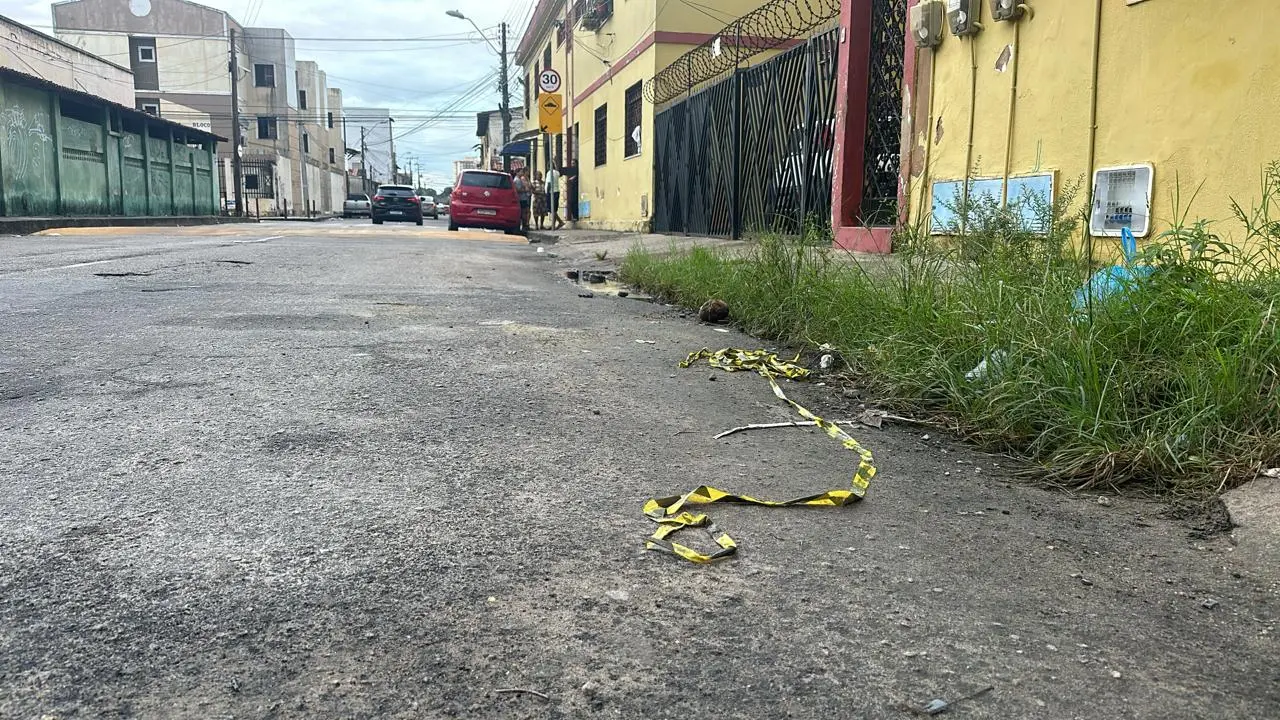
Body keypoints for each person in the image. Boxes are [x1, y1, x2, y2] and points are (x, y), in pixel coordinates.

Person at [513, 168, 532, 233]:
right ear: (517, 172)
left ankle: (524, 225)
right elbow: (518, 190)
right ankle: (523, 226)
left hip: (523, 198)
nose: (522, 173)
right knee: (524, 212)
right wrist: (525, 190)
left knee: (525, 212)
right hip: (521, 198)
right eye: (521, 172)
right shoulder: (517, 180)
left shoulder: (519, 179)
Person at [546, 165, 563, 230]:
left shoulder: (549, 173)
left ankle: (560, 221)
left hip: (551, 192)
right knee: (554, 209)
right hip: (557, 191)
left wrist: (547, 192)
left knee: (551, 209)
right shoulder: (557, 172)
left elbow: (549, 183)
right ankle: (553, 224)